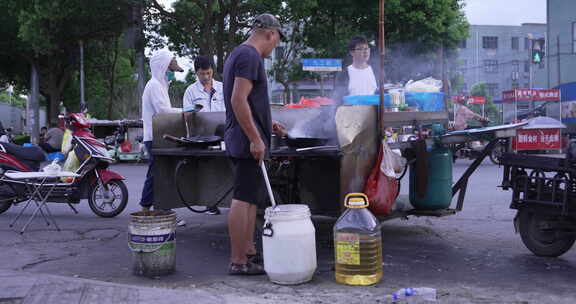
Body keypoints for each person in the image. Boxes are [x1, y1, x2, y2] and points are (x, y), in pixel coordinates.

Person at [223, 13, 286, 275]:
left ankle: (248, 253)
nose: (274, 48)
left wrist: (266, 124)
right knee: (242, 198)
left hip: (244, 136)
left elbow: (247, 102)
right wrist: (256, 138)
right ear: (271, 34)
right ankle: (238, 261)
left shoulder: (239, 53)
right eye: (277, 42)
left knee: (250, 198)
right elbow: (238, 100)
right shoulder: (250, 56)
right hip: (246, 140)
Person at [139, 49, 185, 224]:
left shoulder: (160, 86)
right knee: (156, 173)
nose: (173, 73)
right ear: (162, 67)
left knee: (162, 174)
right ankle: (145, 208)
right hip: (155, 137)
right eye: (171, 70)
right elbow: (163, 112)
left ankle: (162, 210)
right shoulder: (154, 86)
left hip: (160, 136)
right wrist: (184, 111)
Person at [332, 35, 380, 104]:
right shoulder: (344, 74)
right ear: (352, 52)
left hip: (374, 112)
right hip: (352, 112)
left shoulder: (376, 71)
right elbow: (338, 100)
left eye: (366, 48)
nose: (365, 51)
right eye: (360, 49)